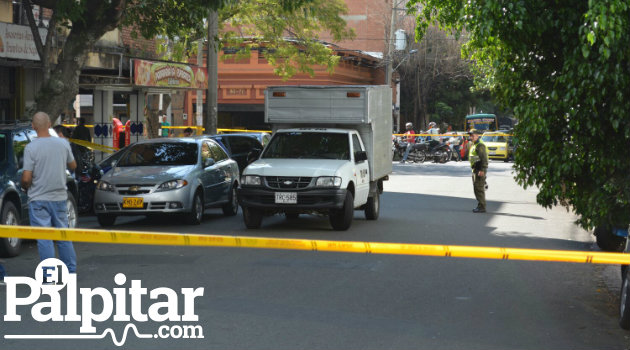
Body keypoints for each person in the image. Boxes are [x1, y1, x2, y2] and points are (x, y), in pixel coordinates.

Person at [21, 112, 78, 272]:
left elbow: (26, 178)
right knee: (63, 236)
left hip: (38, 199)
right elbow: (73, 166)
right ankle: (70, 271)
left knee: (44, 239)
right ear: (49, 125)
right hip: (59, 197)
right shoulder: (63, 144)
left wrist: (25, 187)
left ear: (33, 127)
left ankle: (49, 275)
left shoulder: (31, 148)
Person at [468, 129, 489, 213]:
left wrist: (482, 170)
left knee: (479, 188)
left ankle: (482, 207)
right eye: (470, 135)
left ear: (477, 135)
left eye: (473, 135)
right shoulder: (475, 144)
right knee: (477, 188)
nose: (471, 137)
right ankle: (480, 205)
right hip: (476, 169)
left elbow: (484, 159)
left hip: (479, 169)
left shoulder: (480, 145)